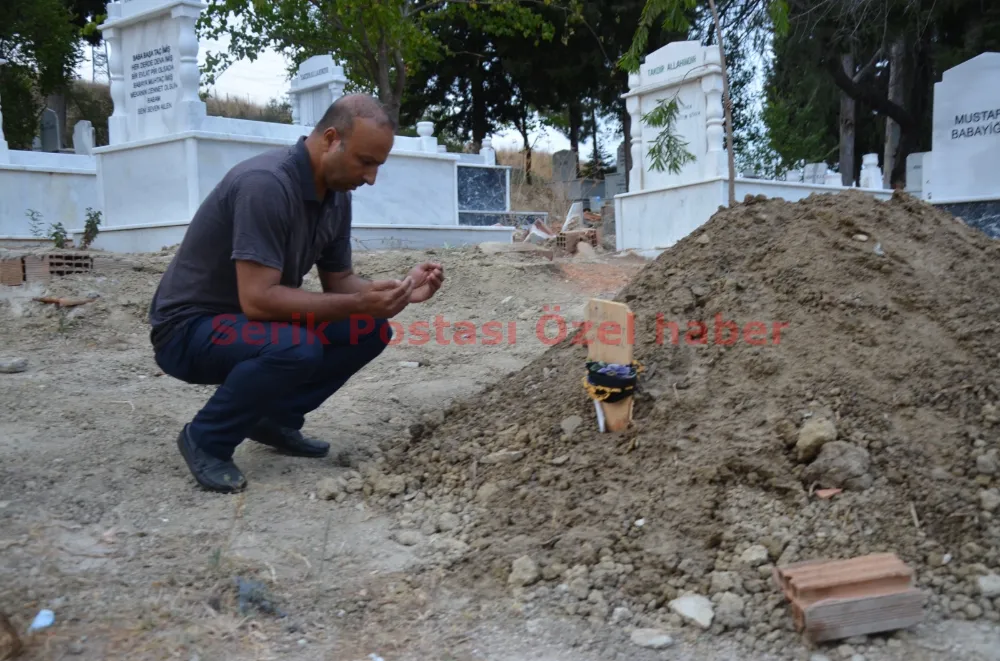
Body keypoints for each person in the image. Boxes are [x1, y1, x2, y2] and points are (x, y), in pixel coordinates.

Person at [147, 94, 443, 494]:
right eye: (365, 161)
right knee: (295, 346)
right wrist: (358, 303)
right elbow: (258, 299)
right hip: (188, 329)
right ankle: (207, 438)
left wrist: (401, 291)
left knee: (369, 330)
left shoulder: (336, 196)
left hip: (248, 325)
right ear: (331, 139)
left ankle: (271, 418)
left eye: (378, 165)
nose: (371, 178)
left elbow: (340, 282)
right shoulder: (266, 185)